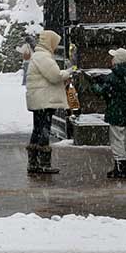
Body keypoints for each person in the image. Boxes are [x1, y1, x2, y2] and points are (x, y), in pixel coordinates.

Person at [25, 30, 72, 175]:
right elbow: (55, 76)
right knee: (44, 129)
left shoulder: (39, 56)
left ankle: (34, 162)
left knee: (38, 129)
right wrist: (68, 72)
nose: (56, 46)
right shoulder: (43, 57)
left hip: (40, 98)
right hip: (44, 100)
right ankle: (43, 163)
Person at [93, 47, 126, 179]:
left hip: (115, 112)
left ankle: (120, 168)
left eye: (113, 57)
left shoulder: (115, 76)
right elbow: (115, 82)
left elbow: (102, 91)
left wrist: (93, 84)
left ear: (117, 61)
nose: (111, 59)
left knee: (117, 140)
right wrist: (104, 78)